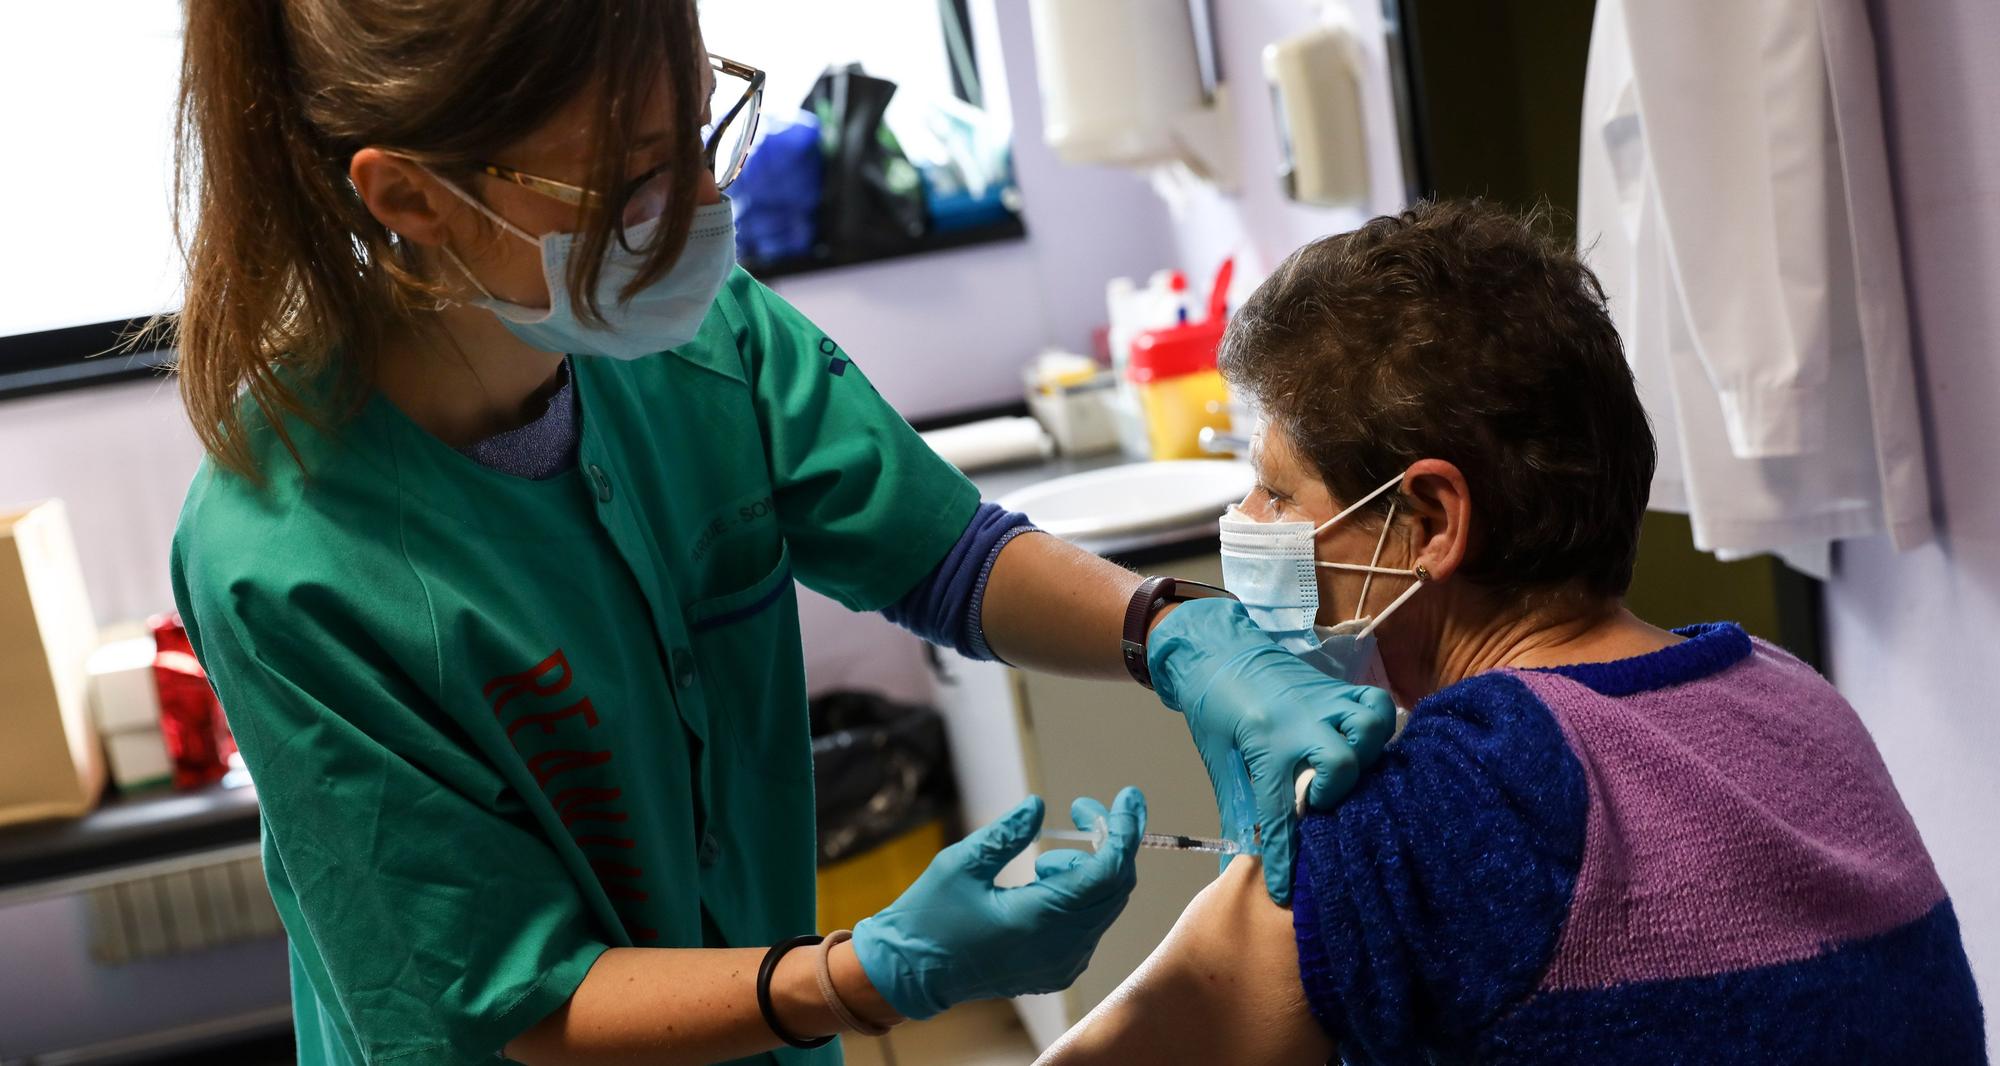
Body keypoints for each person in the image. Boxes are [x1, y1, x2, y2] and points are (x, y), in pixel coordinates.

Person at [162, 3, 1395, 1063]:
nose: (706, 207)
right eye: (634, 178)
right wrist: (867, 973)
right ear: (410, 196)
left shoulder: (688, 336)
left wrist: (1170, 631)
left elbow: (941, 553)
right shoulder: (286, 561)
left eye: (703, 125)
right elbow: (513, 996)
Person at [1037, 200, 1987, 1065]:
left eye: (1280, 491)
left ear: (1432, 522)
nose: (1246, 519)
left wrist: (892, 981)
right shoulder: (1794, 695)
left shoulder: (1440, 806)